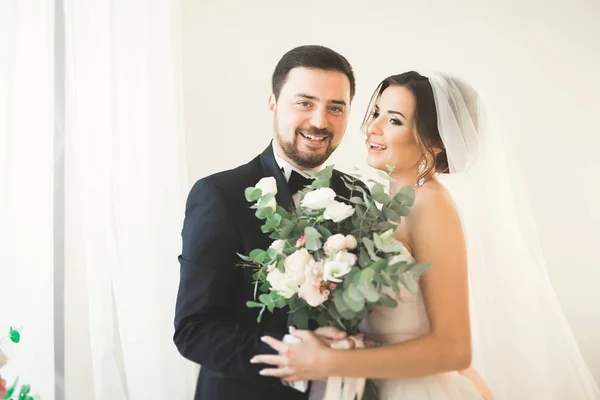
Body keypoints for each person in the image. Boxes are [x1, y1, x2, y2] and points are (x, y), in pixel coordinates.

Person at [253, 71, 600, 399]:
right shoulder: (376, 202)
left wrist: (331, 362)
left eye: (394, 120)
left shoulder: (430, 205)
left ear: (434, 143)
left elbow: (454, 349)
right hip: (372, 385)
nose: (372, 128)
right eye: (376, 112)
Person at [173, 45, 362, 400]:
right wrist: (296, 359)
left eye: (335, 107)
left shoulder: (359, 197)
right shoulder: (219, 194)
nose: (320, 121)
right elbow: (193, 329)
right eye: (304, 102)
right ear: (273, 103)